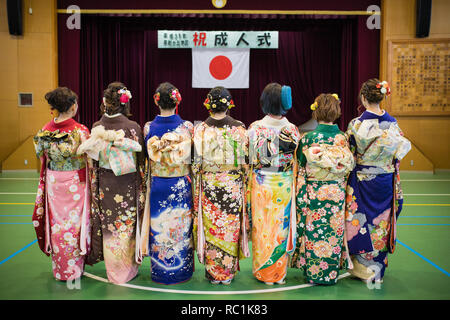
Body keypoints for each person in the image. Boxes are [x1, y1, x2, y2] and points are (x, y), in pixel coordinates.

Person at [77, 82, 146, 284]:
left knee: (110, 226)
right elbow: (141, 160)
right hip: (127, 182)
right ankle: (127, 270)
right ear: (125, 103)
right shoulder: (133, 128)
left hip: (106, 182)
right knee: (126, 225)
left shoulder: (97, 127)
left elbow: (93, 158)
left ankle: (113, 271)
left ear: (105, 102)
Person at [345, 79, 411, 283]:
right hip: (385, 180)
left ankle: (363, 268)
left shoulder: (356, 124)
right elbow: (397, 156)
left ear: (363, 98)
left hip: (363, 182)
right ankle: (377, 269)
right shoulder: (393, 124)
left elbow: (350, 155)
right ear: (382, 97)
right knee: (381, 222)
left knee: (360, 220)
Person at [290, 93, 355, 285]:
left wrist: (300, 192)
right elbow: (348, 167)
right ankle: (330, 273)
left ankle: (314, 273)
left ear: (316, 112)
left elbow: (301, 168)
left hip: (314, 193)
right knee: (333, 231)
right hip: (336, 192)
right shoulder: (343, 138)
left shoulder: (308, 139)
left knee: (314, 230)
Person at [192, 86, 250, 285]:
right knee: (230, 228)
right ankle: (228, 272)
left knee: (212, 228)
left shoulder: (200, 129)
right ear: (229, 104)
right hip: (232, 186)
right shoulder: (240, 128)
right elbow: (246, 163)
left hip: (210, 184)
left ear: (208, 104)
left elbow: (195, 163)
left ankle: (213, 272)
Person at [32, 87, 90, 281]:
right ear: (73, 107)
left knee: (57, 223)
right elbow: (89, 158)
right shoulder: (80, 131)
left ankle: (60, 268)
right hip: (75, 181)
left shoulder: (43, 131)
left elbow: (40, 155)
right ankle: (74, 268)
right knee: (73, 225)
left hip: (54, 181)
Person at [139, 82, 194, 285]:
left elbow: (146, 157)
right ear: (177, 100)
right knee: (179, 227)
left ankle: (161, 271)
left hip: (158, 183)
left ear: (156, 101)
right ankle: (181, 271)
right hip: (180, 183)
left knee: (160, 226)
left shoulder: (148, 128)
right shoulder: (187, 127)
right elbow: (192, 159)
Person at [247, 83, 300, 285]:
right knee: (280, 227)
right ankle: (278, 273)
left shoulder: (255, 128)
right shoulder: (292, 130)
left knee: (262, 227)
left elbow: (250, 158)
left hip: (261, 181)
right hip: (284, 182)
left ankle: (264, 272)